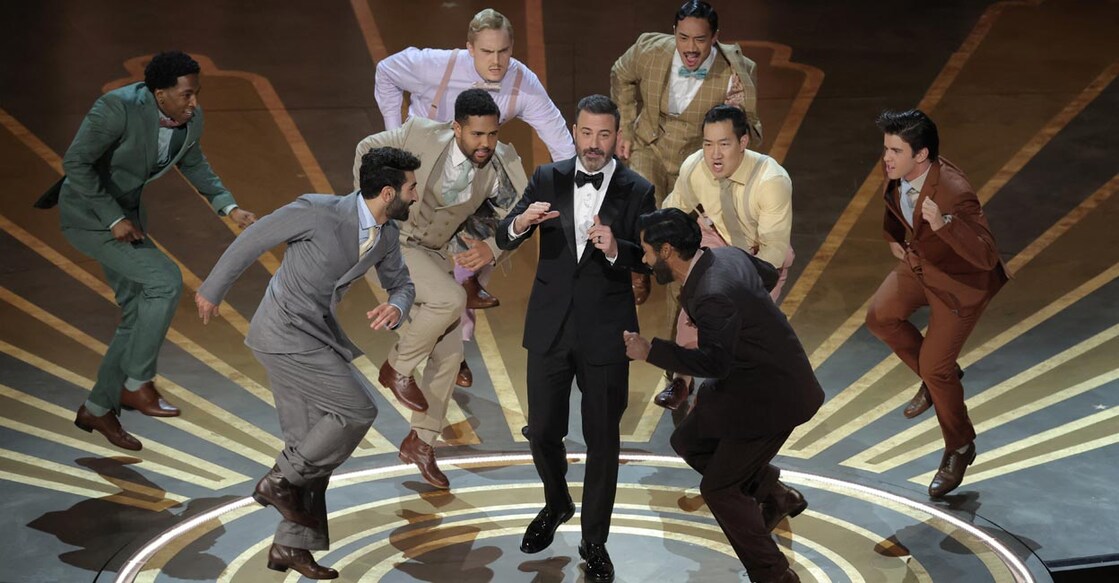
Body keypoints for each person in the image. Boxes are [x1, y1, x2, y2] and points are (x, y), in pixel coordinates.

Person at [195, 147, 418, 579]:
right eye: (411, 188)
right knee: (357, 409)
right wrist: (212, 289)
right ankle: (278, 481)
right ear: (388, 192)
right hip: (282, 332)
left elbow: (402, 283)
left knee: (311, 445)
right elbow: (252, 239)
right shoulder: (317, 211)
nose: (416, 195)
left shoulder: (385, 235)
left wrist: (396, 305)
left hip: (315, 333)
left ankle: (290, 547)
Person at [33, 51, 257, 451]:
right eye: (187, 95)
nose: (194, 102)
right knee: (165, 281)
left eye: (196, 94)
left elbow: (193, 162)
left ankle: (98, 407)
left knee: (137, 310)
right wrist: (111, 217)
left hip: (127, 218)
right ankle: (136, 384)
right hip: (89, 215)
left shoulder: (189, 119)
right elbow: (77, 163)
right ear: (159, 93)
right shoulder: (116, 108)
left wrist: (229, 206)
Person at [496, 94, 655, 583]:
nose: (594, 144)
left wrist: (617, 249)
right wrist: (522, 222)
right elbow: (506, 234)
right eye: (586, 134)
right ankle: (557, 500)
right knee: (542, 429)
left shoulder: (638, 189)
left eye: (604, 135)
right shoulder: (548, 176)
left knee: (603, 441)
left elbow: (651, 257)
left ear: (617, 136)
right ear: (574, 132)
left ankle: (594, 541)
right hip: (550, 326)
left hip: (607, 331)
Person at [375, 9, 577, 386]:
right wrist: (394, 135)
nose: (496, 61)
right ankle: (445, 345)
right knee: (433, 273)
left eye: (503, 51)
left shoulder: (522, 82)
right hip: (423, 178)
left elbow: (559, 139)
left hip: (473, 174)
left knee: (515, 214)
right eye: (486, 52)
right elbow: (386, 71)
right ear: (469, 49)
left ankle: (463, 307)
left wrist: (580, 189)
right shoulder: (433, 66)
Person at [623, 208, 822, 583]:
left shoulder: (713, 292)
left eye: (648, 252)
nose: (645, 261)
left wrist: (650, 351)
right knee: (688, 440)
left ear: (667, 251)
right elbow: (765, 275)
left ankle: (774, 575)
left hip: (772, 396)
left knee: (719, 489)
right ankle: (775, 494)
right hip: (749, 381)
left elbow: (713, 362)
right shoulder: (724, 256)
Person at [353, 89, 529, 489]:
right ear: (456, 128)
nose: (486, 144)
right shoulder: (418, 135)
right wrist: (371, 209)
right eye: (477, 135)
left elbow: (521, 213)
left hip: (431, 253)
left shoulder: (500, 164)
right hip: (392, 245)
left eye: (492, 134)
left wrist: (493, 248)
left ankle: (421, 442)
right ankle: (397, 367)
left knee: (450, 352)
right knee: (450, 300)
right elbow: (366, 148)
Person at [865, 109, 1009, 498]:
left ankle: (960, 446)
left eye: (895, 150)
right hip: (921, 264)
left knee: (934, 365)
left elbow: (985, 256)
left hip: (960, 283)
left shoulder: (955, 191)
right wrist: (893, 234)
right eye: (886, 149)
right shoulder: (898, 171)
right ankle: (938, 379)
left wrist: (945, 224)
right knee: (880, 317)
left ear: (922, 155)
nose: (887, 158)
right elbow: (895, 203)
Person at [655, 104, 794, 410]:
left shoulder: (771, 180)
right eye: (708, 144)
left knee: (745, 328)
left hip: (760, 259)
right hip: (717, 241)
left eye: (724, 144)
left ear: (743, 142)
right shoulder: (696, 167)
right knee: (697, 302)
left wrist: (733, 286)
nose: (714, 154)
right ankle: (681, 380)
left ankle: (746, 396)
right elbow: (673, 209)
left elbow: (773, 251)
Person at [610, 0, 762, 206]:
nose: (690, 48)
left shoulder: (735, 74)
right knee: (646, 212)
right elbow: (621, 73)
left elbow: (746, 135)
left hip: (696, 163)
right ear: (674, 32)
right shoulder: (649, 51)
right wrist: (624, 127)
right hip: (647, 147)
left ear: (715, 36)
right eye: (683, 38)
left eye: (700, 39)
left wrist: (734, 119)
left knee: (683, 229)